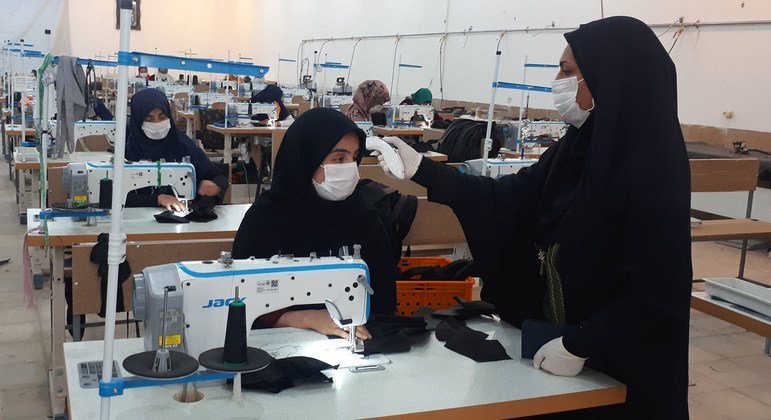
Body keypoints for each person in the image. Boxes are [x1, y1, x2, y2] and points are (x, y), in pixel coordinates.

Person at [377, 17, 691, 418]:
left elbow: (654, 291)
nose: (556, 80)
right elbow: (510, 199)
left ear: (609, 77)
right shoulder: (574, 152)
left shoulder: (652, 170)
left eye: (569, 71)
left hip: (620, 369)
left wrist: (583, 342)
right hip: (562, 356)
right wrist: (424, 169)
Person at [232, 108, 397, 340]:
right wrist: (308, 318)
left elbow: (384, 304)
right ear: (306, 159)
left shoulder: (363, 218)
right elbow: (239, 301)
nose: (350, 168)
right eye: (339, 158)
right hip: (276, 344)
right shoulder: (265, 220)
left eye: (354, 157)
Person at [125, 88, 228, 210]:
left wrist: (214, 187)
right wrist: (158, 199)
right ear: (138, 120)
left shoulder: (183, 145)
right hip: (137, 223)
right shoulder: (127, 152)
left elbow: (219, 177)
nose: (157, 123)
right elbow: (111, 196)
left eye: (162, 117)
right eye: (149, 119)